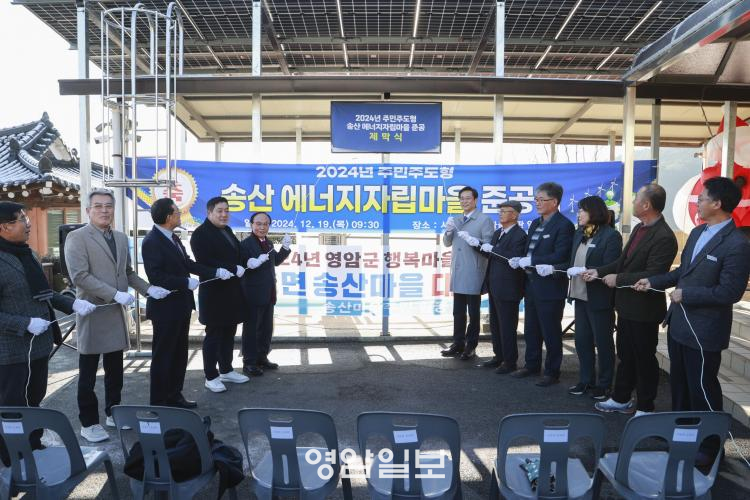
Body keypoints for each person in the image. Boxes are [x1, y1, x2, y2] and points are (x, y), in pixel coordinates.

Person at [634, 177, 750, 462]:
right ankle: (682, 437)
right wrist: (653, 281)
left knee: (702, 389)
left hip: (705, 330)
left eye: (702, 198)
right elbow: (681, 273)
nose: (697, 202)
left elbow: (730, 292)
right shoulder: (698, 233)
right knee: (680, 386)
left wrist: (688, 294)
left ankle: (710, 448)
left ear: (717, 204)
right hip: (680, 325)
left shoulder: (737, 243)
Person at [65, 188, 170, 443]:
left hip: (116, 313)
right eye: (98, 206)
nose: (104, 210)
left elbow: (128, 272)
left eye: (108, 206)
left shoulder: (121, 238)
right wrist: (114, 294)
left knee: (115, 370)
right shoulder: (77, 237)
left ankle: (113, 411)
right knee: (88, 373)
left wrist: (148, 289)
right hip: (93, 311)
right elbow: (80, 276)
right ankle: (88, 422)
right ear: (88, 210)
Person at [0, 202, 96, 463]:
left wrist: (72, 304)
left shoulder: (27, 253)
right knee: (12, 406)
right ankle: (12, 458)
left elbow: (44, 293)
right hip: (10, 350)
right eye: (22, 219)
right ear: (5, 227)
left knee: (35, 398)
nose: (28, 223)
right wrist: (24, 323)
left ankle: (34, 445)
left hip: (39, 345)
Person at [582, 183, 678, 416]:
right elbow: (622, 262)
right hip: (626, 305)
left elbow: (654, 274)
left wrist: (618, 279)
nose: (633, 202)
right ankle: (621, 398)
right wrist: (600, 271)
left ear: (646, 205)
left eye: (636, 199)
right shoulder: (639, 228)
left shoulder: (664, 236)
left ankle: (645, 406)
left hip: (644, 309)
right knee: (625, 355)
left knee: (644, 358)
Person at [142, 198, 233, 408]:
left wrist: (215, 272)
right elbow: (156, 276)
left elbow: (188, 264)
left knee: (179, 354)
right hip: (165, 309)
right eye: (177, 212)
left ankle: (175, 395)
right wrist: (184, 282)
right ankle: (159, 402)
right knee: (163, 356)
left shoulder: (172, 237)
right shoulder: (152, 241)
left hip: (181, 306)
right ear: (168, 217)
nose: (180, 215)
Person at [509, 182, 574, 387]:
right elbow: (529, 250)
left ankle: (552, 372)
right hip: (531, 284)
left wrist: (533, 261)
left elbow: (561, 255)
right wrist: (520, 259)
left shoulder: (564, 225)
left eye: (541, 200)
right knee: (531, 329)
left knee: (551, 331)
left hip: (550, 287)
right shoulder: (536, 223)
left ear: (554, 202)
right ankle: (531, 365)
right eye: (535, 199)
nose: (537, 203)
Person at [563, 196, 622, 400]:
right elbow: (571, 260)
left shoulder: (610, 236)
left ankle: (604, 384)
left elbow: (613, 264)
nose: (578, 214)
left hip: (599, 298)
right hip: (580, 295)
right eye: (579, 210)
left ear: (594, 212)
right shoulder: (580, 233)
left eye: (582, 210)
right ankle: (586, 380)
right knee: (582, 341)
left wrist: (591, 270)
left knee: (603, 343)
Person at [190, 196, 249, 393]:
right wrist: (232, 267)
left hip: (232, 291)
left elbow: (238, 253)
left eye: (226, 210)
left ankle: (226, 369)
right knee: (214, 334)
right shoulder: (200, 234)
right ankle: (211, 375)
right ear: (209, 213)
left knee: (229, 332)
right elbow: (205, 261)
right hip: (214, 293)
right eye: (219, 211)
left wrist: (246, 262)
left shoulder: (228, 230)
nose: (224, 214)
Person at [470, 200, 528, 374]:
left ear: (515, 214)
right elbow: (490, 254)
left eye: (504, 211)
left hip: (509, 287)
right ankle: (498, 356)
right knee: (495, 324)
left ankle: (510, 362)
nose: (500, 214)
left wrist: (492, 248)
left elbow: (513, 257)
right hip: (494, 285)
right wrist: (476, 244)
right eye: (500, 211)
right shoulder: (498, 232)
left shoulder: (520, 235)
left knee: (507, 326)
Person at [441, 186, 494, 360]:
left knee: (473, 313)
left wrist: (474, 240)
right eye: (461, 198)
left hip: (474, 271)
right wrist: (448, 231)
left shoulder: (484, 220)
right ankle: (458, 343)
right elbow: (447, 243)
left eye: (468, 198)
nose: (464, 201)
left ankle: (471, 346)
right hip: (458, 270)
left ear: (475, 200)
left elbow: (488, 246)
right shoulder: (456, 219)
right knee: (458, 312)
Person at [239, 212, 292, 377]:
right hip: (252, 293)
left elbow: (275, 261)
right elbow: (241, 264)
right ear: (251, 225)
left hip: (269, 292)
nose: (262, 227)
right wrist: (250, 262)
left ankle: (262, 357)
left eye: (265, 224)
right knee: (252, 329)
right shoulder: (245, 244)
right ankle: (249, 362)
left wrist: (285, 248)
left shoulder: (268, 242)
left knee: (266, 328)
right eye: (258, 224)